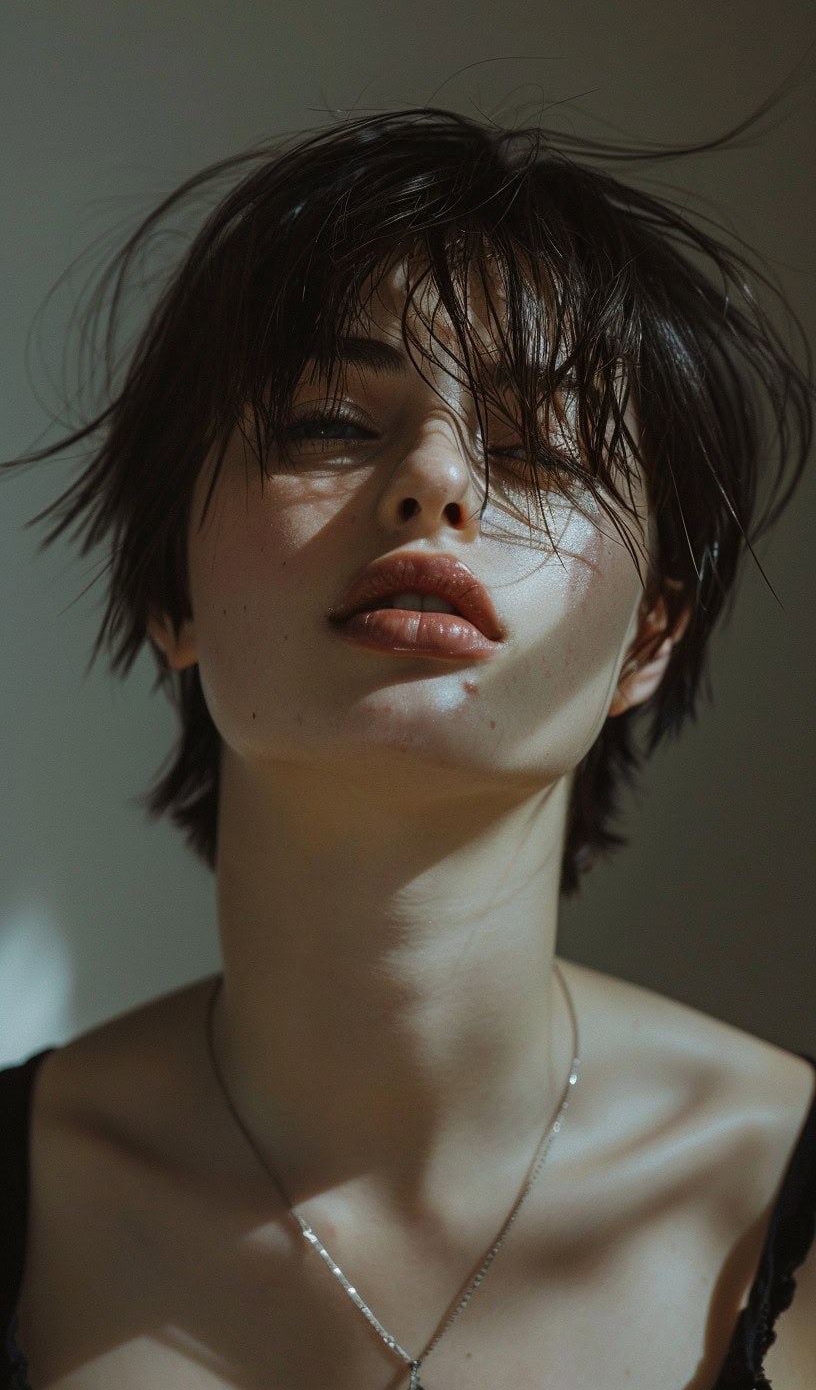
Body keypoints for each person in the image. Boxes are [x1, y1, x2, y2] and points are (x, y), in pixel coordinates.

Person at [1, 107, 814, 1390]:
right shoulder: (32, 1191)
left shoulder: (779, 1196)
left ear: (651, 633)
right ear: (173, 590)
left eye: (541, 446)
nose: (435, 480)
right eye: (327, 420)